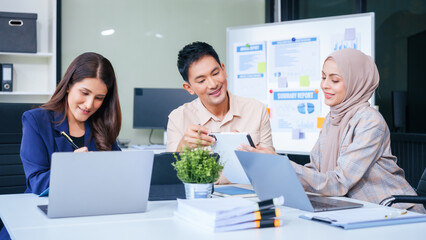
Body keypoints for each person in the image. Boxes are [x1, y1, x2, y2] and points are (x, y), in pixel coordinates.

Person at [240, 48, 425, 213]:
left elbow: (340, 182)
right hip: (354, 210)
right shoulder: (332, 118)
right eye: (323, 77)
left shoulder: (370, 121)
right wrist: (274, 168)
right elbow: (315, 170)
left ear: (356, 83)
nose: (324, 85)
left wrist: (281, 164)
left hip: (393, 211)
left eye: (334, 80)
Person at [166, 41, 274, 153]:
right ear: (189, 88)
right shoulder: (178, 118)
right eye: (202, 81)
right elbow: (169, 169)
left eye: (215, 73)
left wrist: (257, 157)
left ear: (223, 69)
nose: (213, 84)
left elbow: (271, 162)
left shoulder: (257, 110)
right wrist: (182, 148)